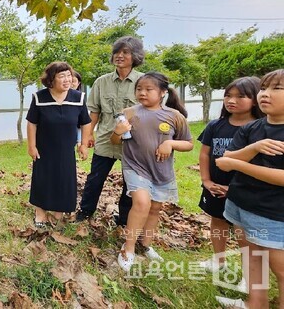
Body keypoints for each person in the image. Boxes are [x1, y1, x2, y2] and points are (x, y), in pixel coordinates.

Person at [215, 69, 284, 309]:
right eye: (264, 88)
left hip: (274, 214)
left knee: (280, 269)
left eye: (277, 88)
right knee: (251, 256)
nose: (266, 94)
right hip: (241, 205)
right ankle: (256, 304)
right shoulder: (252, 129)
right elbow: (225, 158)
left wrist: (237, 164)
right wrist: (255, 147)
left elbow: (231, 162)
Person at [112, 72, 193, 272]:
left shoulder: (174, 116)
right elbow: (114, 141)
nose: (142, 93)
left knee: (155, 209)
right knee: (141, 203)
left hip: (161, 170)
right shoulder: (129, 112)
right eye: (139, 89)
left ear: (163, 92)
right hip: (135, 166)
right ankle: (128, 248)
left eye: (148, 89)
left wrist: (170, 143)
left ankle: (145, 245)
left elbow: (189, 144)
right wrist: (118, 132)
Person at [197, 77, 262, 285]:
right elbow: (205, 154)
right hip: (215, 187)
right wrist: (206, 180)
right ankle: (219, 260)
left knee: (243, 232)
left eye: (240, 96)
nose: (231, 100)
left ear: (255, 99)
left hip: (246, 190)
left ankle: (248, 276)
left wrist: (232, 188)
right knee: (217, 221)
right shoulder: (215, 125)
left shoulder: (261, 129)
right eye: (228, 95)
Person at [76, 36, 145, 225]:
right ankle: (85, 212)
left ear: (135, 56)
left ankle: (123, 219)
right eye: (117, 52)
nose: (120, 56)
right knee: (95, 179)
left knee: (130, 183)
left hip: (133, 143)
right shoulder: (101, 82)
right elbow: (95, 111)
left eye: (125, 52)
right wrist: (88, 135)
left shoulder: (144, 82)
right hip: (106, 140)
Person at [26, 62, 92, 227]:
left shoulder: (78, 98)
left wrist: (83, 144)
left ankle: (58, 213)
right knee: (43, 179)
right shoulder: (39, 97)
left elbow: (86, 123)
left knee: (64, 180)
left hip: (66, 150)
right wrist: (31, 146)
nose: (67, 79)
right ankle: (40, 212)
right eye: (62, 76)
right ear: (51, 79)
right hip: (44, 149)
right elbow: (31, 123)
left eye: (69, 75)